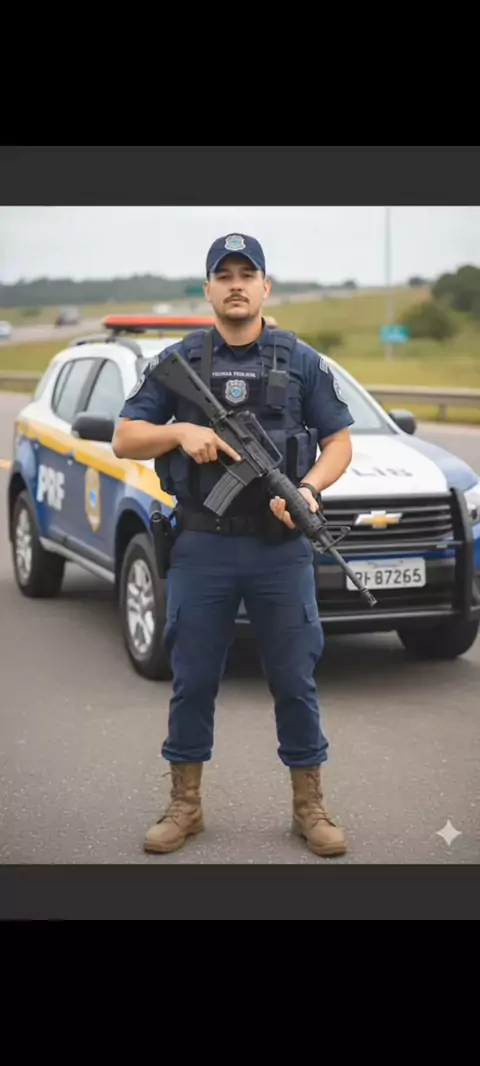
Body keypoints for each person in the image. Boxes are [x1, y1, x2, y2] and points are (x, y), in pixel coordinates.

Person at [112, 233, 354, 858]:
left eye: (248, 275)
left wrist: (307, 490)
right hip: (203, 547)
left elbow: (339, 443)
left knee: (294, 680)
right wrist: (179, 433)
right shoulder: (180, 360)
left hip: (280, 549)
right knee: (193, 679)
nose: (237, 285)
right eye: (225, 276)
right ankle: (185, 806)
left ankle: (309, 807)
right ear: (209, 289)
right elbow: (125, 437)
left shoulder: (299, 360)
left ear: (265, 287)